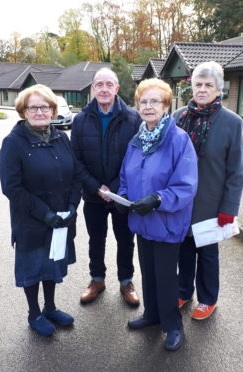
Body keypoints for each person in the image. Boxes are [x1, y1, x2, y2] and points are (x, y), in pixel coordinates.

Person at [118, 78, 198, 351]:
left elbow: (186, 185)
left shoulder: (178, 139)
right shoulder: (137, 138)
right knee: (148, 273)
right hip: (142, 221)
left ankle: (173, 326)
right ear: (137, 105)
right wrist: (124, 196)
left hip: (166, 221)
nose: (148, 106)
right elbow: (125, 174)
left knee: (165, 277)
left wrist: (158, 199)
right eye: (144, 101)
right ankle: (152, 315)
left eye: (155, 101)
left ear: (166, 105)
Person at [0, 84, 81, 336]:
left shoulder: (61, 138)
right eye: (32, 107)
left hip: (61, 218)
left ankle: (50, 308)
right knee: (33, 268)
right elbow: (11, 188)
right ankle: (34, 313)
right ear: (23, 111)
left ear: (53, 111)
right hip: (32, 221)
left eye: (44, 107)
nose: (39, 112)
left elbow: (76, 176)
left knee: (52, 265)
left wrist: (71, 206)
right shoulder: (13, 143)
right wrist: (45, 214)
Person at [174, 61, 243, 321]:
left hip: (210, 203)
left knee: (206, 254)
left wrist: (229, 209)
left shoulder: (231, 122)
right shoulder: (179, 117)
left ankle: (208, 299)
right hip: (181, 202)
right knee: (183, 251)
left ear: (219, 88)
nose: (202, 90)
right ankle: (183, 291)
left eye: (208, 85)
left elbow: (236, 171)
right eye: (198, 84)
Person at [71, 68, 142, 306]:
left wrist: (113, 188)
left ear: (117, 89)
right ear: (93, 88)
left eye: (108, 84)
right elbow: (75, 160)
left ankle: (126, 281)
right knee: (96, 240)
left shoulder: (133, 119)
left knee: (125, 240)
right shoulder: (80, 120)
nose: (103, 89)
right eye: (99, 84)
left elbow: (136, 160)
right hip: (93, 196)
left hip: (121, 194)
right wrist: (95, 188)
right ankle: (97, 280)